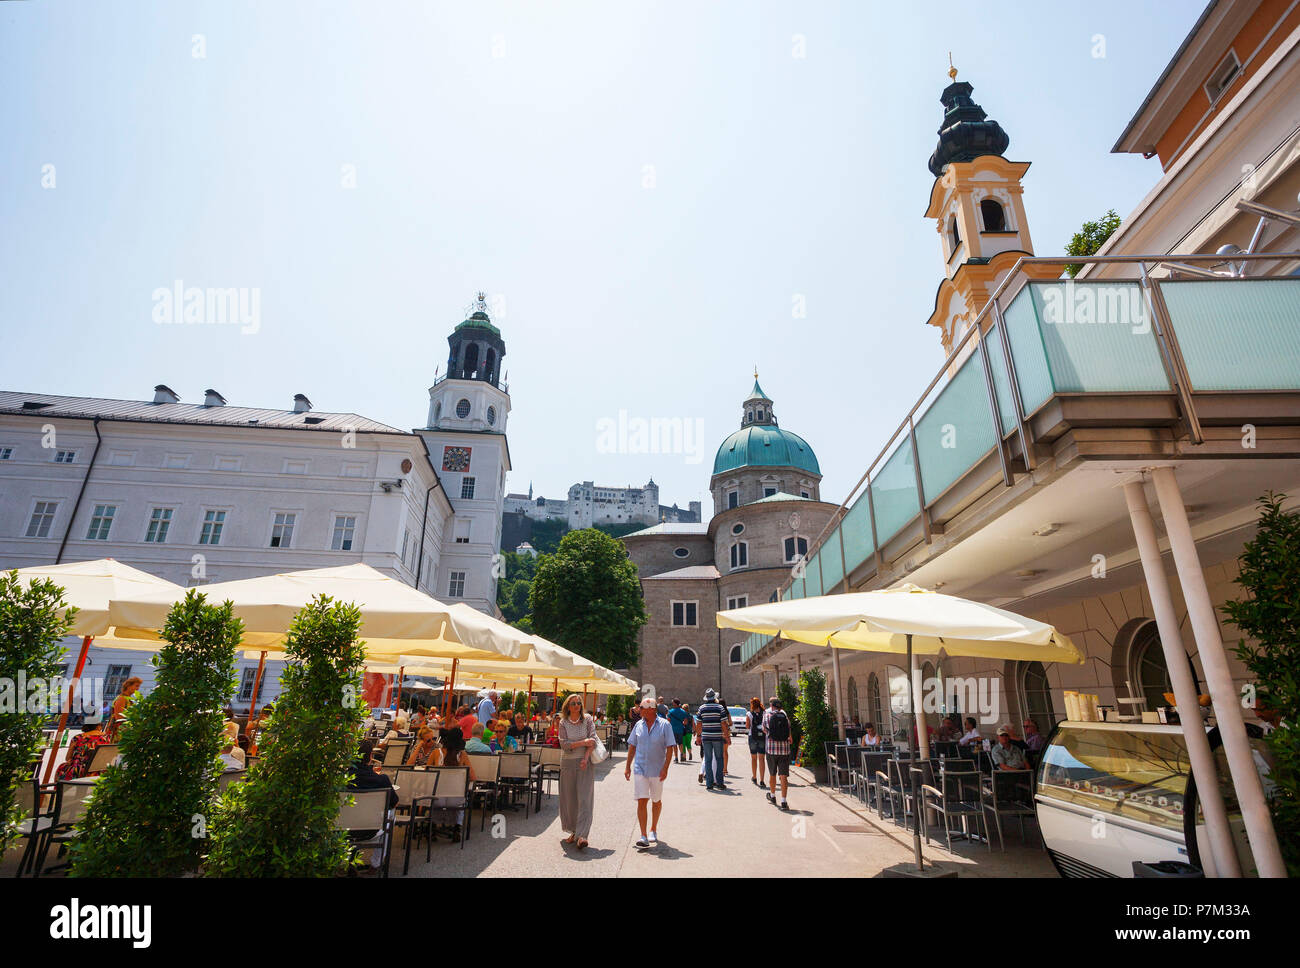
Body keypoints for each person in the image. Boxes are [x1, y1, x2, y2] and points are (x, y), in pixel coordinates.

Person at [624, 697, 676, 849]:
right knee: (642, 800)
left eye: (642, 708)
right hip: (640, 768)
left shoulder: (665, 725)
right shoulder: (638, 725)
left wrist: (665, 768)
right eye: (640, 708)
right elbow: (632, 746)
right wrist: (627, 766)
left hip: (657, 770)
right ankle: (643, 835)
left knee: (656, 800)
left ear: (652, 709)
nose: (639, 710)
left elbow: (670, 747)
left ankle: (653, 828)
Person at [347, 739, 398, 870]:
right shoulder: (381, 780)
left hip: (345, 830)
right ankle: (376, 863)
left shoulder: (342, 779)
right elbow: (394, 803)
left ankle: (349, 862)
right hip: (371, 829)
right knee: (391, 815)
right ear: (370, 756)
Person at [558, 693, 598, 850]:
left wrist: (585, 757)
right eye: (573, 703)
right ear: (568, 706)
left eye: (579, 703)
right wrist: (582, 742)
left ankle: (583, 835)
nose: (576, 706)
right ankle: (574, 831)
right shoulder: (563, 722)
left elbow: (593, 740)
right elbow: (564, 745)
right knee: (570, 800)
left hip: (584, 763)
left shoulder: (587, 719)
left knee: (584, 799)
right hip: (567, 763)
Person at [694, 688, 730, 791]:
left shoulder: (702, 708)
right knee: (719, 759)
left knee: (708, 760)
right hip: (717, 737)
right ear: (714, 697)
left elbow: (699, 724)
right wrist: (727, 737)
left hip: (706, 737)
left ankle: (709, 784)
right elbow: (723, 724)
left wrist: (698, 736)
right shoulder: (719, 708)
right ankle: (719, 783)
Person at [762, 696, 793, 811]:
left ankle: (773, 795)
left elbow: (765, 730)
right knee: (783, 775)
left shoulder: (767, 715)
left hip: (771, 749)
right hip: (784, 750)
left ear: (771, 706)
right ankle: (784, 801)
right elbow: (788, 729)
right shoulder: (785, 716)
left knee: (772, 774)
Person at [104, 676, 142, 742]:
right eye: (136, 686)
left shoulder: (128, 699)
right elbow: (119, 718)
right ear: (128, 686)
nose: (137, 689)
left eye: (138, 686)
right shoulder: (122, 698)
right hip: (119, 732)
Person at [746, 697, 767, 787]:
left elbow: (747, 726)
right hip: (762, 737)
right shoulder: (765, 713)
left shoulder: (749, 714)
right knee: (761, 758)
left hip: (752, 737)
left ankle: (754, 777)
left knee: (754, 758)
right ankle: (762, 780)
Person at [667, 699, 689, 763]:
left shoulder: (670, 711)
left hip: (672, 730)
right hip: (680, 730)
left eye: (673, 703)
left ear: (675, 704)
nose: (672, 704)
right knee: (681, 743)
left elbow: (668, 721)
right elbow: (685, 722)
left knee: (674, 744)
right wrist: (681, 723)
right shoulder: (683, 711)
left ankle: (676, 758)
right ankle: (681, 755)